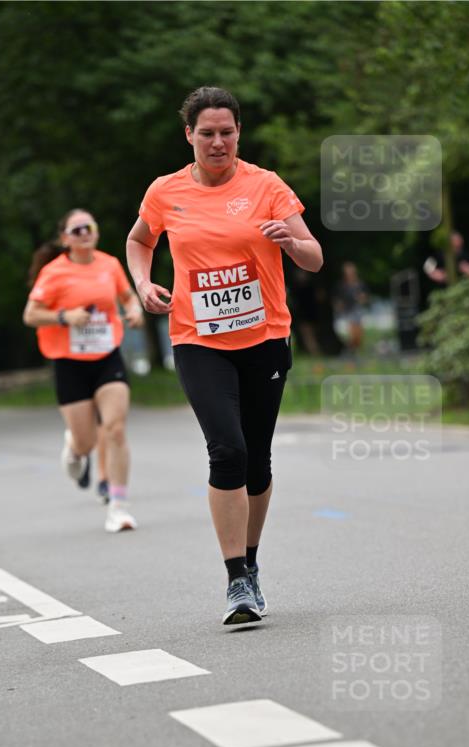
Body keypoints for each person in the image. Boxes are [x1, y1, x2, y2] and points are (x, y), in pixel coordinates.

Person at [126, 86, 322, 625]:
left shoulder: (266, 186)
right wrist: (142, 283)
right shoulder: (165, 191)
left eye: (227, 132)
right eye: (208, 133)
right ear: (189, 134)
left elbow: (314, 257)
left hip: (264, 338)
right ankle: (236, 578)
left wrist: (290, 242)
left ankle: (251, 562)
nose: (218, 142)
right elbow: (140, 240)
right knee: (227, 451)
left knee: (257, 460)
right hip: (198, 340)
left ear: (239, 133)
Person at [24, 209, 143, 532]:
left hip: (107, 356)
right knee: (86, 442)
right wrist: (65, 317)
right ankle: (75, 449)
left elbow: (127, 296)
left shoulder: (109, 264)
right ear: (65, 239)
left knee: (115, 429)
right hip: (70, 362)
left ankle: (118, 507)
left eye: (89, 227)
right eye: (77, 230)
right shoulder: (54, 273)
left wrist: (134, 310)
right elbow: (31, 314)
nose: (85, 233)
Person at [333, 262, 369, 352]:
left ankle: (353, 350)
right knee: (352, 333)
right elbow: (337, 299)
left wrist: (361, 298)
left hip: (358, 310)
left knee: (359, 335)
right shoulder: (341, 285)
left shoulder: (360, 284)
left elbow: (365, 298)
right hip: (346, 311)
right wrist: (338, 306)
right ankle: (349, 351)